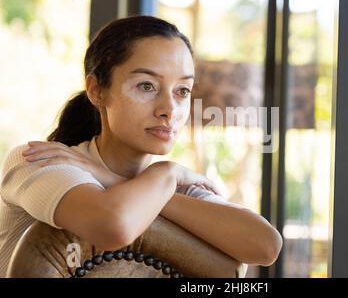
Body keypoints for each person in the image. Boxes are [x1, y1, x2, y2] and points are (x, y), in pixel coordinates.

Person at [0, 15, 282, 277]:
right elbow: (113, 225)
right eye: (146, 86)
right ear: (97, 91)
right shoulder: (39, 160)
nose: (169, 110)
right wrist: (168, 174)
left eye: (182, 91)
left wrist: (120, 180)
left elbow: (265, 246)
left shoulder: (173, 187)